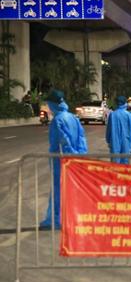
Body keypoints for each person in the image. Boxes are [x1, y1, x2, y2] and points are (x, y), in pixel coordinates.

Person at [41, 89, 88, 228]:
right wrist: (79, 154)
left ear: (53, 104)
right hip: (73, 158)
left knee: (58, 189)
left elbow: (62, 140)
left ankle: (56, 219)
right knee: (70, 189)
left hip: (61, 159)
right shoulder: (73, 117)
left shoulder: (58, 120)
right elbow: (81, 138)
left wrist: (70, 153)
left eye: (49, 104)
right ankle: (71, 217)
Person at [106, 95, 131, 164]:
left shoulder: (112, 115)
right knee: (125, 161)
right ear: (125, 103)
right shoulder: (129, 115)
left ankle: (115, 174)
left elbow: (109, 129)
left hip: (114, 140)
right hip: (126, 140)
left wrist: (108, 140)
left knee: (115, 161)